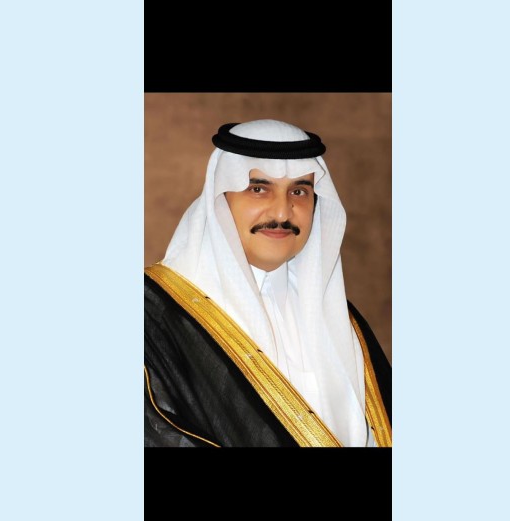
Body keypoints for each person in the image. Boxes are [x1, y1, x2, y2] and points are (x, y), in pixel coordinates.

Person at [144, 119, 391, 447]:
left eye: (299, 191)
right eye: (258, 189)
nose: (282, 212)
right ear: (220, 199)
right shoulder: (152, 314)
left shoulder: (341, 319)